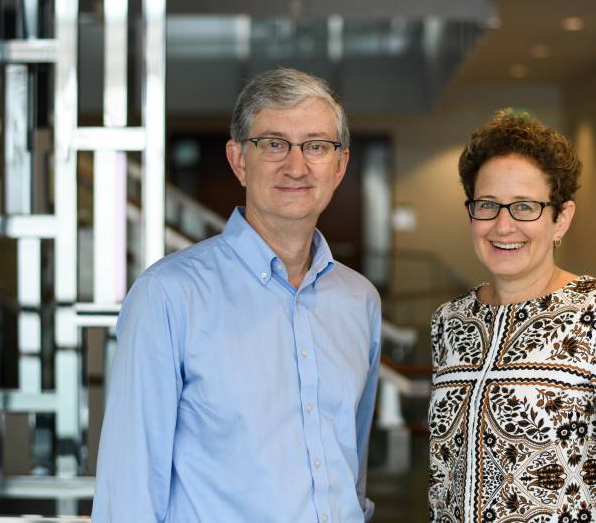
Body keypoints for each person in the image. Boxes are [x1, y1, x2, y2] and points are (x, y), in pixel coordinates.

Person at [92, 68, 382, 523]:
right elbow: (127, 492)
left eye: (316, 146)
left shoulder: (359, 300)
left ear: (340, 164)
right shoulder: (168, 295)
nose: (296, 165)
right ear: (238, 159)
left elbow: (353, 465)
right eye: (273, 143)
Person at [427, 110, 596, 522]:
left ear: (561, 218)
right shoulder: (450, 321)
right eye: (487, 205)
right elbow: (441, 476)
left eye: (525, 206)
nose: (503, 226)